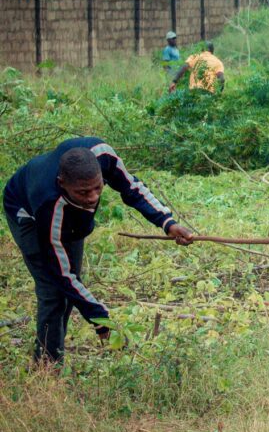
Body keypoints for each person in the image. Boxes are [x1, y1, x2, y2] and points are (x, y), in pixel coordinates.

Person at [3, 138, 194, 362]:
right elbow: (62, 275)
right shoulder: (48, 206)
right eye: (84, 192)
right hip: (26, 212)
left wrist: (167, 223)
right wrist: (99, 319)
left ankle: (53, 350)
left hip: (68, 211)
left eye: (98, 188)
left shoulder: (103, 155)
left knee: (71, 285)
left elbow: (132, 188)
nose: (93, 198)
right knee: (54, 289)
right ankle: (47, 365)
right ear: (62, 183)